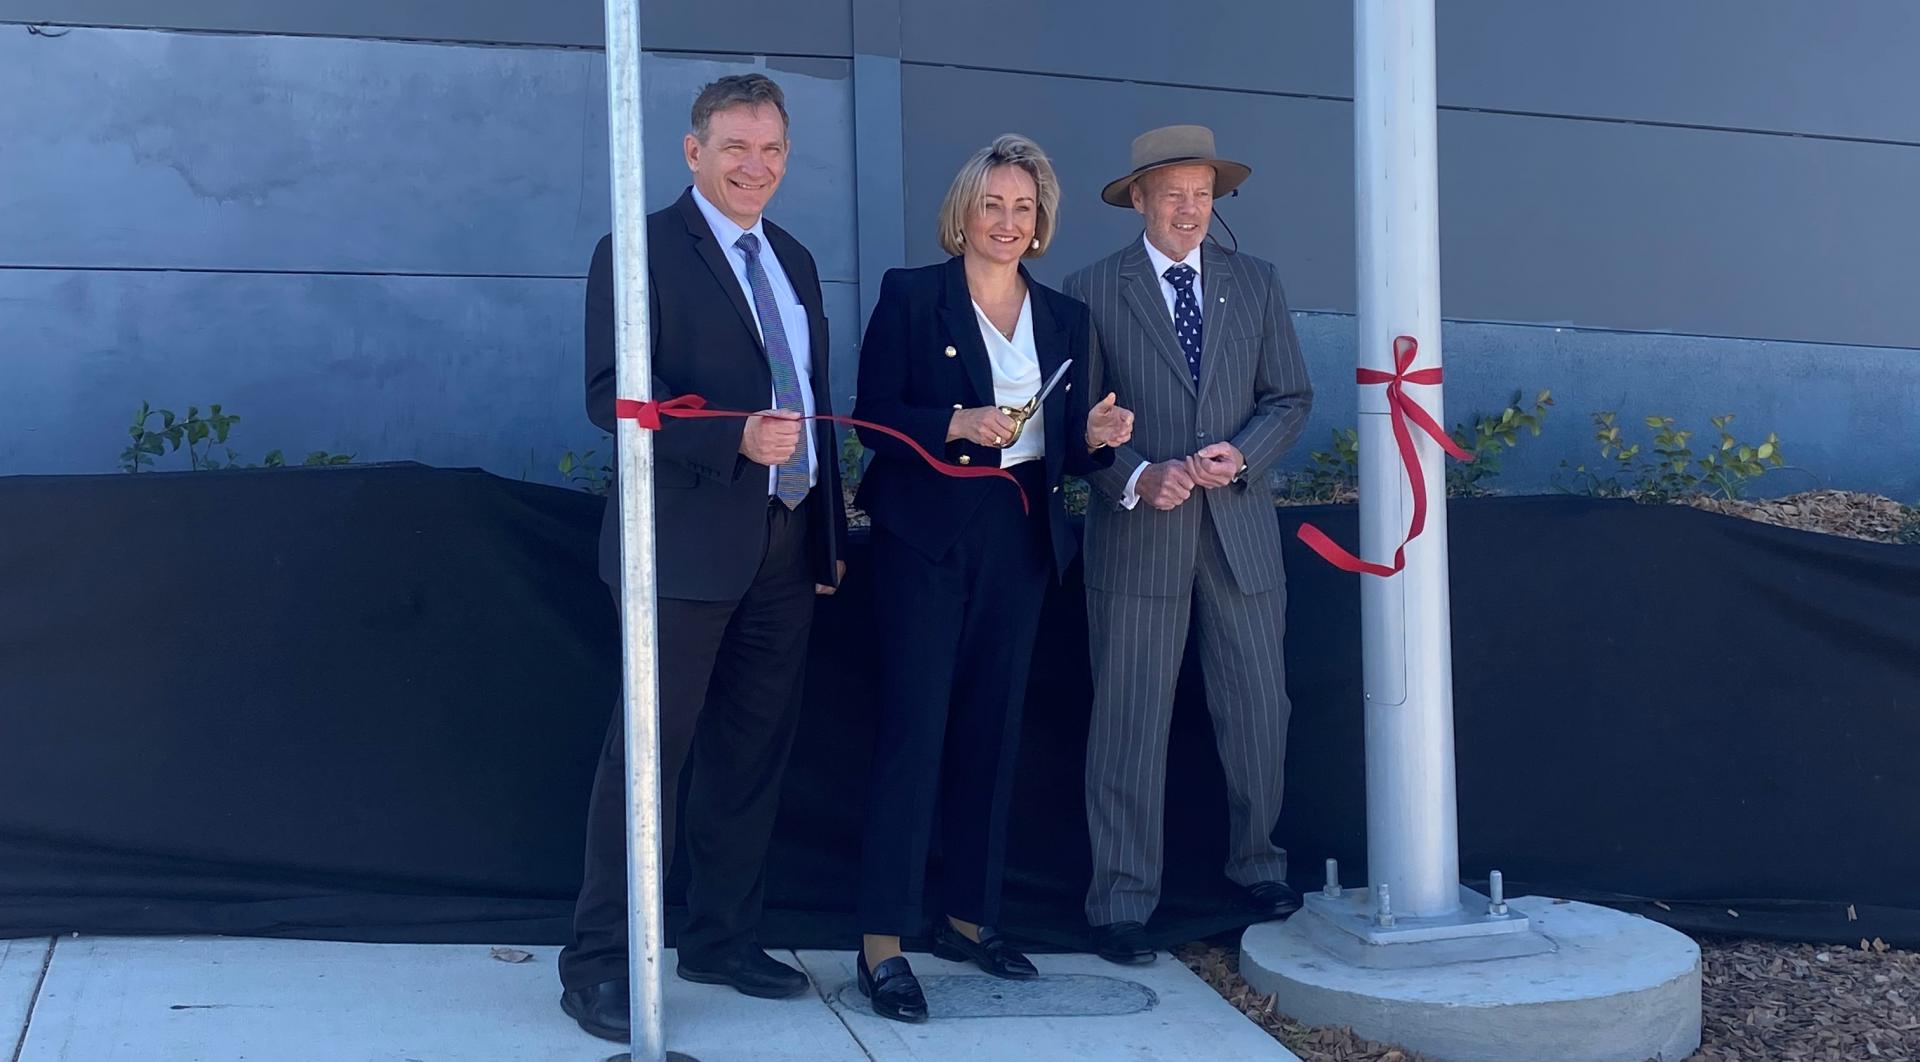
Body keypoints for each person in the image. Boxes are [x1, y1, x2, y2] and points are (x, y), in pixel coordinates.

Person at [559, 73, 848, 1041]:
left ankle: (722, 937)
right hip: (678, 547)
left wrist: (828, 532)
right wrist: (729, 439)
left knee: (751, 754)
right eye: (735, 147)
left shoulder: (796, 259)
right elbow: (613, 396)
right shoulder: (636, 251)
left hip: (785, 538)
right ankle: (597, 963)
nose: (753, 167)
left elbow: (813, 398)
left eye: (771, 149)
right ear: (693, 152)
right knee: (647, 760)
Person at [849, 134, 1134, 1023]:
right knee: (914, 734)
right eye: (994, 205)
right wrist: (953, 420)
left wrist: (1101, 437)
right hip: (928, 539)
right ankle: (883, 944)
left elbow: (1073, 456)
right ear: (964, 212)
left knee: (992, 735)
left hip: (1020, 541)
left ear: (1041, 221)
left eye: (1024, 208)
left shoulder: (1065, 320)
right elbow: (870, 418)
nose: (1008, 222)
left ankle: (970, 920)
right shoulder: (911, 295)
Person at [1062, 124, 1314, 966]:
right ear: (1137, 198)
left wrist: (1243, 453)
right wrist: (1135, 476)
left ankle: (1258, 866)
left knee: (1257, 715)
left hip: (1239, 532)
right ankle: (1121, 900)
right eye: (1172, 193)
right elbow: (1081, 425)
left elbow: (1290, 397)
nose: (1189, 210)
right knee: (1129, 720)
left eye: (1203, 194)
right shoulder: (1091, 289)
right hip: (1139, 538)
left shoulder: (1258, 284)